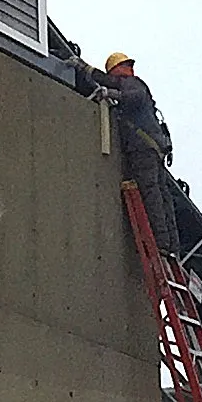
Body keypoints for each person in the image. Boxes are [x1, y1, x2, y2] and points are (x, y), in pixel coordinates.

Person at [75, 50, 182, 256]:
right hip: (154, 150)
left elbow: (132, 97)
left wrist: (110, 94)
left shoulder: (134, 84)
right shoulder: (127, 83)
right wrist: (83, 67)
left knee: (151, 193)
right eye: (126, 66)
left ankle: (161, 243)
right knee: (162, 197)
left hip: (144, 149)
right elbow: (104, 79)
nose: (129, 69)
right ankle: (172, 247)